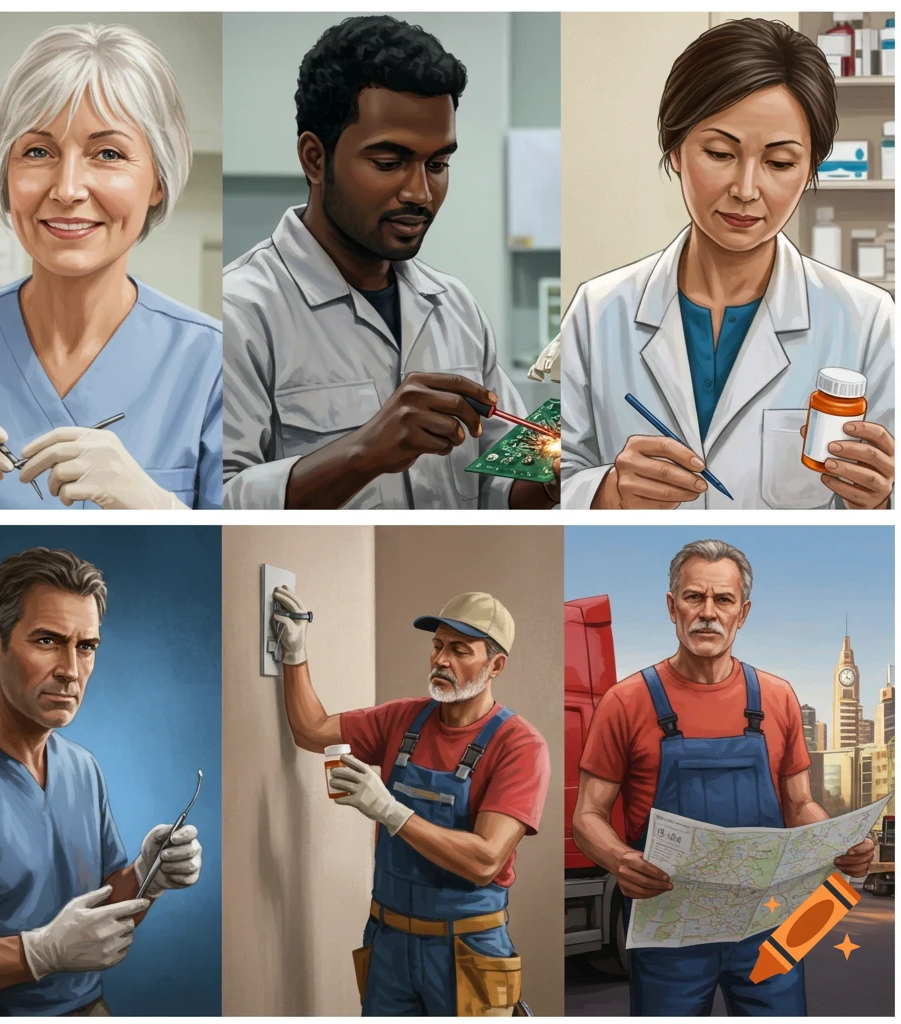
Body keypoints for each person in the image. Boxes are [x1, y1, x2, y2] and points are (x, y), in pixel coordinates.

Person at [223, 16, 560, 510]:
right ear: (315, 159)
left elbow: (498, 485)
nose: (420, 192)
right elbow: (216, 504)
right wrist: (364, 451)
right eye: (389, 163)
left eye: (438, 164)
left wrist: (555, 471)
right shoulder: (241, 314)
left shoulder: (455, 308)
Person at [559, 18, 894, 510]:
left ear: (810, 169)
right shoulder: (598, 311)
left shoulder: (866, 321)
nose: (746, 188)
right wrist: (606, 492)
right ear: (675, 149)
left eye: (780, 163)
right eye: (720, 152)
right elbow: (542, 482)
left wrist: (881, 502)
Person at [0, 23, 223, 510]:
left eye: (108, 153)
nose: (67, 188)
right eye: (37, 151)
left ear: (158, 181)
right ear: (5, 174)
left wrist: (159, 508)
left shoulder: (212, 364)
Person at [0, 548, 203, 1015]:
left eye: (86, 647)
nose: (71, 671)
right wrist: (38, 953)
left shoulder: (83, 768)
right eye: (48, 641)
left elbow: (95, 912)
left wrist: (146, 876)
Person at [571, 539, 875, 1016]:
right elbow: (587, 815)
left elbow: (798, 804)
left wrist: (837, 840)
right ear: (673, 607)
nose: (708, 612)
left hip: (768, 923)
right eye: (694, 597)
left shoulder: (777, 697)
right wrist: (620, 859)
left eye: (723, 600)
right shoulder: (626, 701)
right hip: (668, 927)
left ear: (743, 612)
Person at [273, 586, 550, 1015]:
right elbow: (311, 730)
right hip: (389, 946)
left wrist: (389, 811)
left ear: (495, 665)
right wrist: (295, 653)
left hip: (467, 951)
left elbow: (486, 860)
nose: (441, 659)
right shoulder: (401, 719)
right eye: (438, 646)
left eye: (460, 650)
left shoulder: (519, 745)